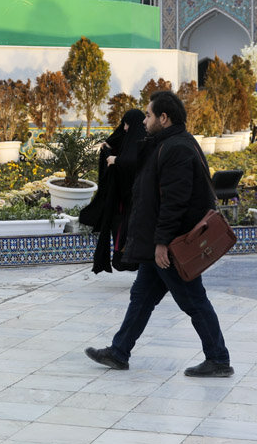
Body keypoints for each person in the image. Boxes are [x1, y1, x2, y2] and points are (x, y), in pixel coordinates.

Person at [85, 90, 232, 378]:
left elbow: (174, 202)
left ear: (164, 118)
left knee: (193, 300)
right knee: (141, 296)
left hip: (171, 246)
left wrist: (162, 243)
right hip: (159, 244)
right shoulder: (168, 143)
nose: (144, 120)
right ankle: (119, 352)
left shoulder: (176, 148)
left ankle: (218, 359)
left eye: (149, 115)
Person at [80, 108, 146, 273]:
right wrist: (108, 149)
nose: (124, 128)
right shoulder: (130, 137)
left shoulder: (145, 143)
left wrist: (118, 160)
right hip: (125, 203)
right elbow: (116, 141)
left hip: (138, 203)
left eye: (127, 124)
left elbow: (135, 162)